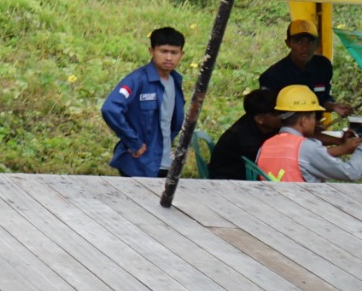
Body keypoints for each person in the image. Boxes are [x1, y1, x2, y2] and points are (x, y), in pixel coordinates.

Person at [100, 27, 185, 177]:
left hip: (165, 162)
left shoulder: (175, 81)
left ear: (181, 54)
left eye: (174, 53)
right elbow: (110, 108)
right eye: (163, 51)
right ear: (151, 51)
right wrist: (134, 143)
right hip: (139, 163)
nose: (168, 58)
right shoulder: (137, 80)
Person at [257, 85, 362, 182]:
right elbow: (351, 172)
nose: (316, 122)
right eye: (313, 118)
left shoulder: (266, 145)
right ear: (304, 121)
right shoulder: (306, 148)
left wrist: (341, 145)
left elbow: (304, 158)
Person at [206, 89, 282, 180]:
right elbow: (272, 161)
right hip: (228, 180)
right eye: (276, 114)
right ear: (259, 119)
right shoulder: (245, 139)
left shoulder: (258, 123)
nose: (283, 116)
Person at [257, 27, 335, 110]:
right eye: (299, 42)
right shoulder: (272, 76)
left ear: (317, 44)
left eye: (311, 42)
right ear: (288, 43)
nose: (305, 48)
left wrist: (333, 106)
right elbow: (267, 112)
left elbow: (323, 99)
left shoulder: (322, 66)